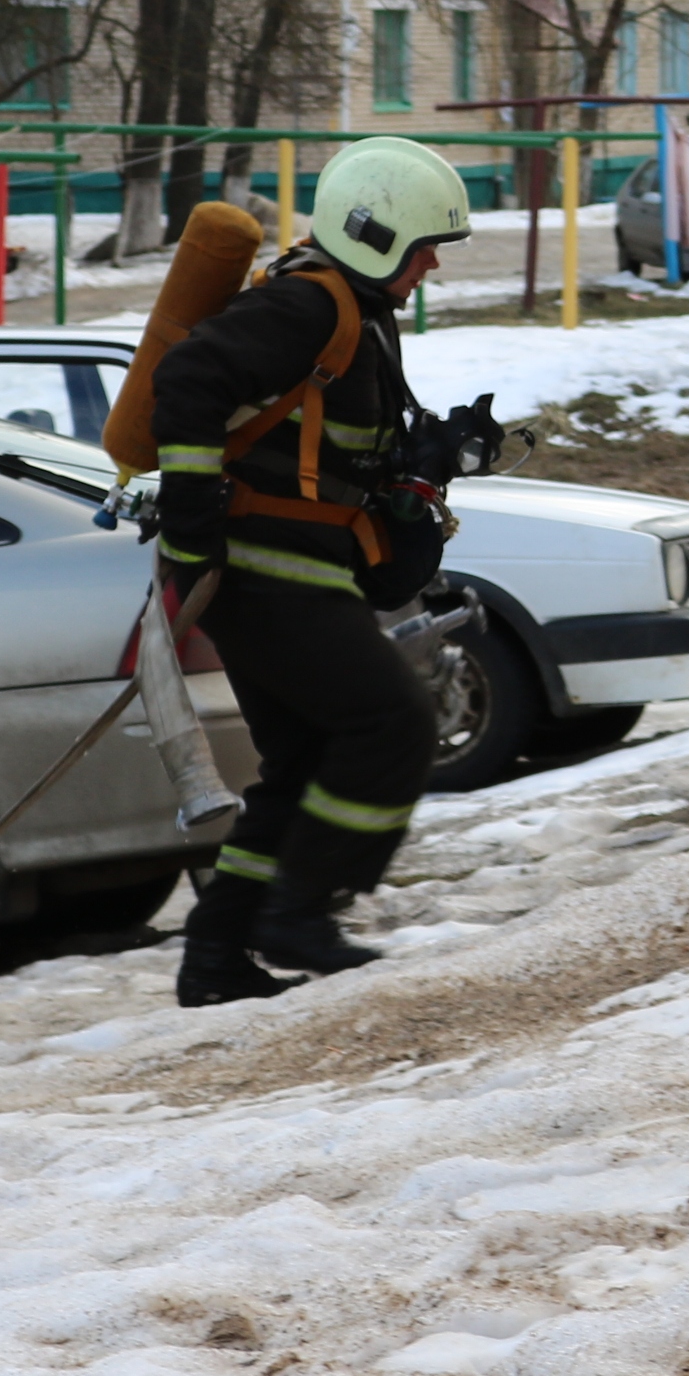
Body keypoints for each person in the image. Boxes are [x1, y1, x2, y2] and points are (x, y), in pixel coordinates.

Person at [149, 135, 471, 1005]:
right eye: (424, 246)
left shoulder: (356, 311)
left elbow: (322, 447)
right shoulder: (310, 304)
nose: (433, 265)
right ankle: (300, 910)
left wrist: (422, 463)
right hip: (265, 570)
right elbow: (187, 382)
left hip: (297, 568)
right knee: (393, 723)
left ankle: (215, 961)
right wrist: (190, 524)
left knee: (301, 765)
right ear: (373, 235)